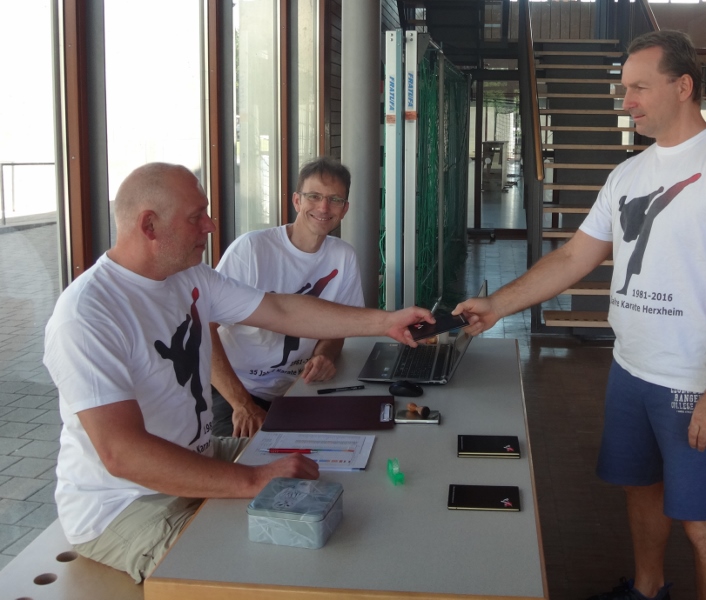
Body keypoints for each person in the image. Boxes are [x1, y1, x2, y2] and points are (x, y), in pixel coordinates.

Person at [454, 31, 706, 600]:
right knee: (640, 489)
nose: (625, 101)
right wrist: (497, 305)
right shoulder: (629, 173)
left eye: (639, 88)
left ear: (683, 86)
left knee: (705, 524)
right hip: (630, 369)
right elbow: (573, 257)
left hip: (694, 381)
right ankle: (648, 589)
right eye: (624, 87)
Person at [43, 162, 432, 583]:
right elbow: (122, 453)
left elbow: (281, 310)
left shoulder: (188, 276)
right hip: (127, 503)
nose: (210, 226)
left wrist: (385, 322)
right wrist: (253, 479)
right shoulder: (88, 315)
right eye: (197, 217)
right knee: (255, 570)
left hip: (200, 456)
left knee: (338, 468)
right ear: (149, 225)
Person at [210, 157, 363, 437]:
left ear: (345, 209)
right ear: (296, 201)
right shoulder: (250, 249)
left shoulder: (344, 256)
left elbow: (340, 327)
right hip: (235, 391)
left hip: (299, 390)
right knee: (240, 458)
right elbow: (202, 328)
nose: (323, 207)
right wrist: (241, 404)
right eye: (314, 196)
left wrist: (324, 355)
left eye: (334, 199)